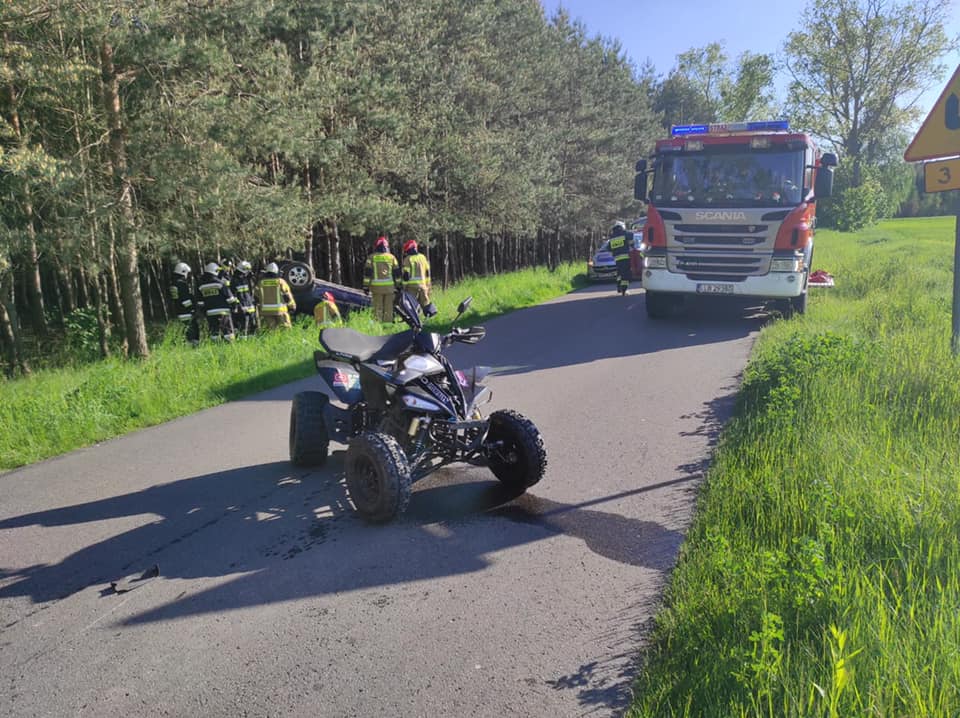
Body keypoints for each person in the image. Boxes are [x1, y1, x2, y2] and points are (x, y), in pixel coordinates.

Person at [196, 262, 238, 341]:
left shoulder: (201, 285)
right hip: (223, 312)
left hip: (210, 313)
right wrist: (234, 306)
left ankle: (216, 347)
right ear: (214, 271)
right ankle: (231, 347)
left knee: (214, 332)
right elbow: (230, 298)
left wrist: (205, 312)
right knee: (228, 332)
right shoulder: (219, 283)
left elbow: (200, 303)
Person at [363, 236, 400, 322]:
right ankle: (388, 325)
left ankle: (378, 325)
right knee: (389, 308)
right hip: (389, 288)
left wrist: (366, 287)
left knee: (377, 308)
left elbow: (367, 273)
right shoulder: (392, 257)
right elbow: (397, 274)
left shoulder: (371, 257)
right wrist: (399, 286)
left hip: (376, 288)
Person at [401, 239, 436, 317]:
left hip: (412, 287)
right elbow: (427, 273)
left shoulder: (407, 259)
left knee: (412, 307)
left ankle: (416, 323)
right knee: (426, 305)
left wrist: (404, 287)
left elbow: (406, 276)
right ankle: (429, 321)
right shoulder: (423, 257)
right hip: (423, 286)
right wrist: (428, 285)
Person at [169, 262, 200, 346]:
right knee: (192, 330)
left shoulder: (173, 283)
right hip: (186, 311)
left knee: (183, 330)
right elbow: (186, 299)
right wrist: (192, 309)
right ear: (183, 272)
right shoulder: (181, 284)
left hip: (178, 310)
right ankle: (193, 346)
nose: (188, 275)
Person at [257, 262, 297, 328]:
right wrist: (292, 306)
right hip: (280, 310)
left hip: (266, 311)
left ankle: (273, 338)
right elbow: (287, 294)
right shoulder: (280, 282)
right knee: (285, 328)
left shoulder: (261, 283)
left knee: (271, 330)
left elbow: (257, 295)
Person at [232, 260, 258, 336]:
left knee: (253, 327)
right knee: (244, 329)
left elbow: (250, 293)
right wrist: (238, 307)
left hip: (250, 308)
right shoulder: (234, 281)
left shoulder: (246, 280)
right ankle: (243, 343)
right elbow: (234, 296)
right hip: (242, 309)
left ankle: (252, 342)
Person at [608, 221, 632, 296]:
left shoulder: (612, 236)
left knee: (619, 274)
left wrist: (615, 251)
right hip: (625, 257)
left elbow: (608, 247)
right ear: (622, 226)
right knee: (626, 274)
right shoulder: (624, 233)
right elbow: (631, 240)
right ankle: (624, 291)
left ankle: (619, 287)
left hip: (617, 259)